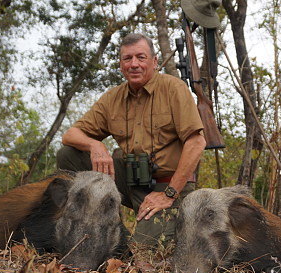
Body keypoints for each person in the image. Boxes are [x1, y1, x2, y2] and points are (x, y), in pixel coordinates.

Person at [56, 33, 206, 246]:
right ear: (121, 65)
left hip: (168, 186)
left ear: (154, 62)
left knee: (143, 250)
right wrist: (95, 144)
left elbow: (197, 142)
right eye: (127, 59)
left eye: (141, 57)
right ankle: (99, 220)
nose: (134, 64)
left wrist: (169, 194)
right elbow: (69, 135)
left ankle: (137, 234)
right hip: (131, 180)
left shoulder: (174, 88)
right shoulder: (112, 98)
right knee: (69, 155)